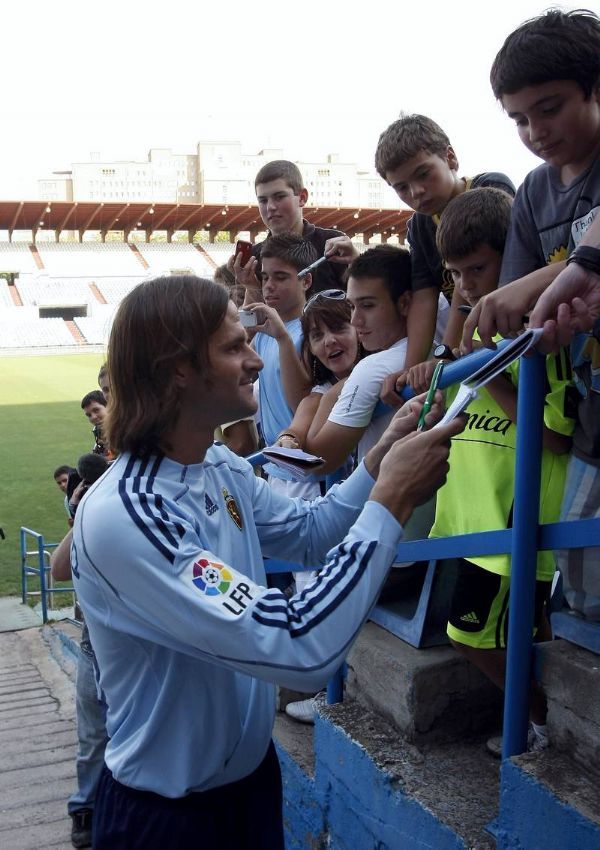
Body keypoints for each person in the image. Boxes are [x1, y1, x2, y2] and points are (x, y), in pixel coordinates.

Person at [66, 273, 462, 849]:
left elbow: (311, 533)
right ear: (178, 368)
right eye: (233, 346)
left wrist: (378, 460)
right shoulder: (127, 516)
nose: (256, 360)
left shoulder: (218, 465)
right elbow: (298, 649)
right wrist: (392, 498)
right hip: (169, 821)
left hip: (250, 788)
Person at [461, 8, 600, 622]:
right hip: (591, 398)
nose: (535, 130)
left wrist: (551, 279)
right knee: (585, 581)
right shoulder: (534, 194)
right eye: (519, 118)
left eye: (550, 108)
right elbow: (518, 313)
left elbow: (530, 289)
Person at [429, 186, 576, 755]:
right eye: (455, 275)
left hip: (515, 519)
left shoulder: (544, 329)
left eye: (478, 269)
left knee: (468, 635)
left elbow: (558, 435)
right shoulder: (471, 328)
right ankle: (544, 721)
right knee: (520, 632)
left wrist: (489, 373)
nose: (467, 286)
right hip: (477, 519)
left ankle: (541, 723)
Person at [368, 113, 515, 396]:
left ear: (450, 158)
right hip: (471, 343)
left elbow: (465, 277)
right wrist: (410, 370)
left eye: (423, 174)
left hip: (509, 333)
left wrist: (445, 354)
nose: (416, 192)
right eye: (401, 187)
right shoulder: (421, 225)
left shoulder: (491, 188)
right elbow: (424, 299)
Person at [305, 245, 435, 473]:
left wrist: (329, 397)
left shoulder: (371, 369)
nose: (356, 320)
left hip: (389, 503)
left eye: (367, 306)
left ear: (404, 303)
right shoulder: (437, 344)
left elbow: (317, 461)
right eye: (352, 306)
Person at [230, 160, 349, 299]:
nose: (270, 207)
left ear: (302, 198)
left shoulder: (331, 244)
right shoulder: (253, 258)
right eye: (263, 200)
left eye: (279, 197)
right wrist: (252, 288)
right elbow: (258, 317)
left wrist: (356, 262)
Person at [275, 290, 362, 454]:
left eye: (338, 328)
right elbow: (295, 430)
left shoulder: (388, 365)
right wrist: (287, 439)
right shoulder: (319, 395)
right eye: (317, 336)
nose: (329, 341)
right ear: (311, 349)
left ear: (358, 329)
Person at [80, 390, 110, 457]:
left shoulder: (127, 433)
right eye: (89, 415)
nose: (93, 417)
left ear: (109, 406)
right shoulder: (98, 432)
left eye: (96, 410)